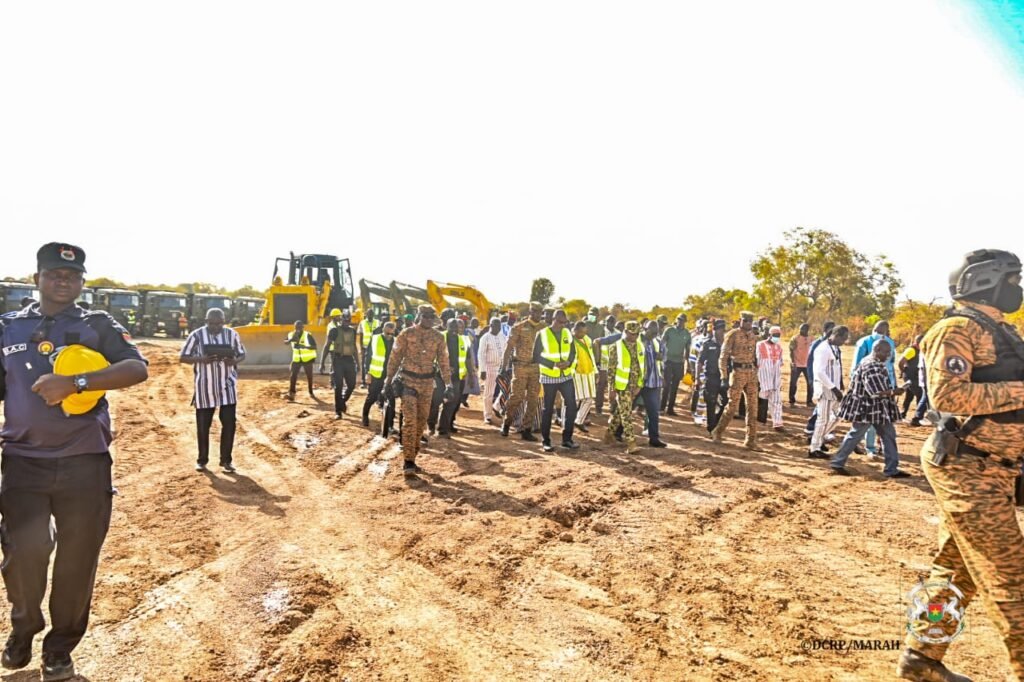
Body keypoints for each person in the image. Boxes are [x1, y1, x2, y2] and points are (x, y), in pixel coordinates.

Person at [0, 243, 148, 680]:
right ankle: (24, 626)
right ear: (37, 279)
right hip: (23, 460)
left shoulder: (97, 324)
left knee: (77, 560)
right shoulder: (8, 327)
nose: (63, 281)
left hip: (84, 461)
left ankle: (59, 648)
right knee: (23, 552)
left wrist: (76, 382)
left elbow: (136, 368)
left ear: (82, 282)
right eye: (54, 274)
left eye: (72, 275)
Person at [893, 249, 1024, 681]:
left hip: (996, 468)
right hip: (968, 467)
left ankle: (921, 660)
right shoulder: (956, 329)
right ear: (987, 282)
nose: (1018, 289)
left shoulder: (1000, 331)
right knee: (1011, 579)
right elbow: (947, 396)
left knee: (954, 571)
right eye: (1012, 280)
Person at [384, 306, 452, 474]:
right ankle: (408, 461)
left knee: (421, 422)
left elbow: (444, 361)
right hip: (408, 382)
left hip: (427, 384)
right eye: (425, 316)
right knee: (410, 421)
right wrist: (388, 380)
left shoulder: (438, 337)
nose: (428, 319)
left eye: (431, 317)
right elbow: (394, 358)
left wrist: (448, 384)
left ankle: (412, 456)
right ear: (419, 316)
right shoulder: (406, 334)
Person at [826, 340, 911, 477]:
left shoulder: (871, 362)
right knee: (856, 435)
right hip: (867, 408)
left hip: (877, 408)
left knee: (887, 435)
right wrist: (894, 392)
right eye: (886, 352)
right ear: (877, 350)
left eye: (889, 353)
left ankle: (891, 469)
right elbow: (875, 392)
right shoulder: (871, 366)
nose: (888, 355)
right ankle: (838, 462)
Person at [180, 307, 246, 472]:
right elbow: (183, 357)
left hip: (227, 385)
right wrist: (202, 359)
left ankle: (226, 461)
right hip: (205, 386)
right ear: (206, 321)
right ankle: (202, 460)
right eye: (212, 324)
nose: (216, 327)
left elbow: (242, 354)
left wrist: (234, 361)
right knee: (203, 425)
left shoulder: (232, 334)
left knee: (229, 424)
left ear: (224, 322)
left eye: (219, 324)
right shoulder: (196, 335)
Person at [710, 312, 760, 449]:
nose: (748, 323)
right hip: (737, 373)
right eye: (745, 320)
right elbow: (723, 357)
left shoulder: (753, 336)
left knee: (753, 407)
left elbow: (755, 356)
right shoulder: (733, 334)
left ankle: (750, 440)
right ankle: (717, 431)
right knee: (732, 406)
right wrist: (724, 376)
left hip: (751, 373)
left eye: (750, 320)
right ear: (740, 320)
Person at [850, 320, 898, 458]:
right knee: (870, 419)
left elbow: (891, 364)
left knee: (885, 417)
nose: (881, 334)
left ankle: (882, 446)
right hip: (869, 386)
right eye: (879, 331)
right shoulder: (864, 342)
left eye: (884, 331)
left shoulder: (890, 342)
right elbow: (856, 365)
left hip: (887, 384)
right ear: (874, 329)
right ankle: (869, 447)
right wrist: (854, 385)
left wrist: (894, 385)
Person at [534, 309, 579, 452]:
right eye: (560, 322)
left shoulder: (567, 333)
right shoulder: (542, 334)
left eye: (564, 322)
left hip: (565, 375)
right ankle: (546, 441)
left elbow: (572, 352)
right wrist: (552, 364)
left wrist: (569, 362)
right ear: (553, 319)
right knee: (548, 409)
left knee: (572, 406)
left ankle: (567, 439)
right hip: (549, 376)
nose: (562, 325)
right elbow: (536, 356)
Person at [500, 302, 545, 441]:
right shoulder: (519, 327)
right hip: (520, 367)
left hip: (536, 368)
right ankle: (506, 423)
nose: (537, 314)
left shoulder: (544, 328)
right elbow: (509, 348)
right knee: (517, 397)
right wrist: (503, 367)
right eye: (535, 311)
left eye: (540, 312)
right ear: (530, 312)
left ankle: (527, 429)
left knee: (533, 399)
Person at [808, 325, 849, 459]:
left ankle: (818, 439)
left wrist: (839, 384)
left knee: (838, 416)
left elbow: (836, 368)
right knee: (823, 420)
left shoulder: (835, 348)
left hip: (834, 388)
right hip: (826, 389)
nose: (844, 341)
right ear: (836, 335)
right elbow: (819, 372)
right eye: (843, 338)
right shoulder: (823, 349)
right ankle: (814, 448)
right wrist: (834, 388)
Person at [604, 321, 645, 454]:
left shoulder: (640, 346)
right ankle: (631, 443)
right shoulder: (616, 347)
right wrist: (611, 388)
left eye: (637, 334)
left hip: (634, 386)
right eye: (632, 334)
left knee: (621, 411)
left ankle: (609, 434)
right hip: (621, 386)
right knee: (627, 414)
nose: (635, 336)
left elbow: (642, 367)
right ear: (626, 332)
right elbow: (611, 369)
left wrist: (639, 385)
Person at [804, 321, 836, 439]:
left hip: (830, 380)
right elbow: (810, 362)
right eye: (831, 329)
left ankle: (820, 429)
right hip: (820, 379)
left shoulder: (834, 345)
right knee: (822, 405)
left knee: (826, 406)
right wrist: (811, 379)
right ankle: (812, 427)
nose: (833, 332)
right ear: (825, 330)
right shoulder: (817, 344)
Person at [362, 321, 396, 429]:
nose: (389, 332)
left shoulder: (395, 341)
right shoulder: (375, 338)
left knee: (391, 400)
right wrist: (367, 373)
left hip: (389, 376)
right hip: (376, 374)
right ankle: (365, 416)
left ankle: (390, 425)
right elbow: (368, 357)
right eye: (388, 328)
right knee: (372, 397)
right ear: (383, 329)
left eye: (392, 329)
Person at [639, 320, 668, 447]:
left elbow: (663, 357)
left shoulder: (657, 341)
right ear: (645, 329)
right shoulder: (637, 340)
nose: (654, 334)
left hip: (653, 381)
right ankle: (617, 432)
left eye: (656, 332)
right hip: (638, 382)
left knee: (653, 412)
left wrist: (661, 356)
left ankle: (654, 438)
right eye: (652, 332)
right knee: (626, 408)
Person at [438, 318, 469, 436]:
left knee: (452, 402)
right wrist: (445, 367)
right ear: (446, 326)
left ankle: (444, 428)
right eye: (451, 326)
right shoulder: (440, 338)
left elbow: (467, 357)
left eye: (456, 327)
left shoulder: (463, 339)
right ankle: (431, 424)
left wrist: (469, 372)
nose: (454, 329)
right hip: (439, 376)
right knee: (435, 402)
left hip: (456, 377)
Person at [566, 320, 597, 433]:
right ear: (574, 330)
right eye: (580, 332)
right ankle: (566, 423)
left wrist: (595, 370)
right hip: (575, 373)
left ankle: (579, 421)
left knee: (589, 398)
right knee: (574, 399)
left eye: (584, 332)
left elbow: (591, 355)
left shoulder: (587, 339)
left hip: (588, 372)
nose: (582, 334)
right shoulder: (569, 340)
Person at [327, 311, 359, 418]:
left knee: (351, 385)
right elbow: (327, 346)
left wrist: (358, 363)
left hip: (349, 360)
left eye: (348, 320)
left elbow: (354, 347)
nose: (346, 322)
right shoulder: (334, 331)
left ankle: (342, 402)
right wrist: (322, 363)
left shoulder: (353, 331)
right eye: (344, 320)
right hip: (338, 360)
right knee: (338, 386)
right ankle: (338, 411)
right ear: (341, 320)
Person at [699, 319, 727, 432]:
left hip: (725, 378)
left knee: (726, 402)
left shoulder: (728, 344)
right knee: (710, 401)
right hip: (711, 377)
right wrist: (697, 378)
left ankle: (716, 420)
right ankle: (711, 427)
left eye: (722, 330)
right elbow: (700, 361)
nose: (720, 332)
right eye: (717, 329)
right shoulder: (708, 344)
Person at [477, 317, 507, 425]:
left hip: (501, 368)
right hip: (489, 368)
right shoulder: (485, 337)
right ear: (491, 325)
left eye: (499, 326)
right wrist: (482, 370)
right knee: (489, 393)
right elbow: (481, 354)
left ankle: (496, 406)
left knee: (506, 389)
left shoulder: (502, 336)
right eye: (495, 326)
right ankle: (488, 416)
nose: (498, 328)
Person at [661, 313, 691, 416]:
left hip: (679, 362)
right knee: (666, 386)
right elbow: (662, 343)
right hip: (668, 360)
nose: (680, 322)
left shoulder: (687, 333)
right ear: (676, 320)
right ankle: (661, 407)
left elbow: (687, 349)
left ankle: (670, 409)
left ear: (685, 322)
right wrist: (662, 356)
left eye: (682, 320)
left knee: (675, 386)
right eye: (679, 320)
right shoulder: (669, 330)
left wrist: (687, 363)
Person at [757, 326, 785, 431]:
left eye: (778, 335)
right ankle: (760, 421)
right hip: (763, 378)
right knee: (762, 400)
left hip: (775, 378)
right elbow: (756, 361)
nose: (777, 337)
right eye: (775, 335)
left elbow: (780, 362)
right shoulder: (760, 345)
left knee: (777, 400)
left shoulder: (779, 347)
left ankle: (777, 423)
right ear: (769, 335)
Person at [285, 320, 317, 401]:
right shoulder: (291, 334)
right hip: (296, 359)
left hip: (307, 359)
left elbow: (314, 347)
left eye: (299, 327)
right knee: (293, 375)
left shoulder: (307, 335)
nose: (298, 329)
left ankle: (310, 391)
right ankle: (292, 393)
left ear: (303, 327)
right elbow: (285, 342)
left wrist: (303, 347)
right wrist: (291, 340)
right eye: (296, 327)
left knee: (309, 376)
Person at [594, 315, 617, 415]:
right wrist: (597, 361)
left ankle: (612, 406)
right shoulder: (601, 332)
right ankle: (598, 407)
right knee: (601, 386)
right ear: (606, 322)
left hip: (614, 364)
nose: (610, 323)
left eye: (612, 321)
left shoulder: (618, 333)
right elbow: (596, 345)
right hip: (602, 364)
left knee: (613, 386)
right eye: (609, 321)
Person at [899, 334, 925, 418]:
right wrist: (903, 371)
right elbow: (901, 362)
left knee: (909, 395)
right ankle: (917, 417)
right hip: (911, 376)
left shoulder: (919, 351)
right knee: (920, 395)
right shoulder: (911, 350)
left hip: (915, 376)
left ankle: (903, 413)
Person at [788, 323, 812, 407]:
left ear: (807, 330)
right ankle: (791, 401)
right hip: (796, 364)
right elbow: (791, 351)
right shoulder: (795, 338)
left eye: (803, 329)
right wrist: (793, 362)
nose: (801, 330)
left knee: (810, 383)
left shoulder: (811, 339)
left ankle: (809, 401)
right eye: (800, 329)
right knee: (793, 383)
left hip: (808, 365)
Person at [319, 308, 342, 377]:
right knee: (335, 368)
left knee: (336, 368)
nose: (339, 317)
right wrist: (322, 362)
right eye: (337, 316)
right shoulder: (331, 326)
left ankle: (334, 380)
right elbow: (328, 343)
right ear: (333, 317)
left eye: (339, 316)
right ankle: (333, 380)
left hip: (339, 350)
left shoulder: (339, 324)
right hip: (333, 350)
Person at [357, 309, 376, 388]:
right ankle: (363, 382)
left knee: (373, 364)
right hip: (365, 347)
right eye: (369, 314)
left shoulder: (377, 322)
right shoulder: (362, 323)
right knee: (364, 364)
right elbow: (360, 336)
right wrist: (361, 348)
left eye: (371, 314)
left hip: (375, 347)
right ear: (366, 314)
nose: (370, 315)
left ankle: (372, 382)